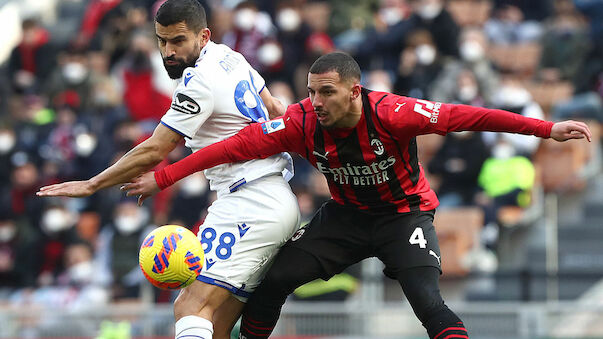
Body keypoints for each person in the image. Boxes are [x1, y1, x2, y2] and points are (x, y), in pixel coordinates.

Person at [122, 52, 592, 339]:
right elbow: (232, 147)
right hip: (345, 218)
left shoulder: (394, 113)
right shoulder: (302, 121)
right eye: (311, 92)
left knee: (428, 304)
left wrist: (547, 129)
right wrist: (163, 178)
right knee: (272, 283)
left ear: (354, 92)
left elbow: (470, 116)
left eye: (326, 93)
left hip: (403, 217)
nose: (316, 102)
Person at [37, 1, 301, 338]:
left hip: (250, 201)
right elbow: (277, 108)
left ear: (203, 36)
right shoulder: (230, 57)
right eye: (162, 41)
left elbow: (155, 149)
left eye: (178, 41)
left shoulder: (198, 81)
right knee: (216, 323)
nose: (168, 52)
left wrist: (92, 184)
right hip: (271, 195)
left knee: (189, 306)